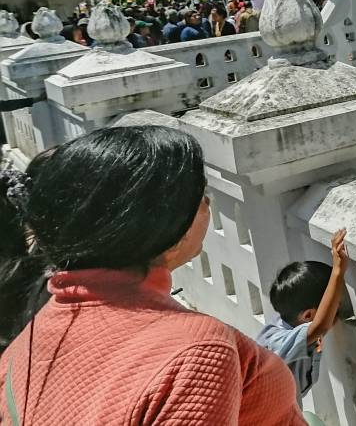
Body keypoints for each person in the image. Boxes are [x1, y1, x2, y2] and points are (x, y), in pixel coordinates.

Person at [0, 126, 303, 423]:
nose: (207, 204)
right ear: (164, 223)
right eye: (199, 195)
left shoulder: (19, 353)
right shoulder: (194, 352)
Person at [258, 229, 348, 406]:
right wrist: (338, 271)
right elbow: (321, 325)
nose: (336, 311)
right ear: (308, 315)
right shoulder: (277, 341)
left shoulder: (293, 320)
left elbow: (323, 324)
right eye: (335, 306)